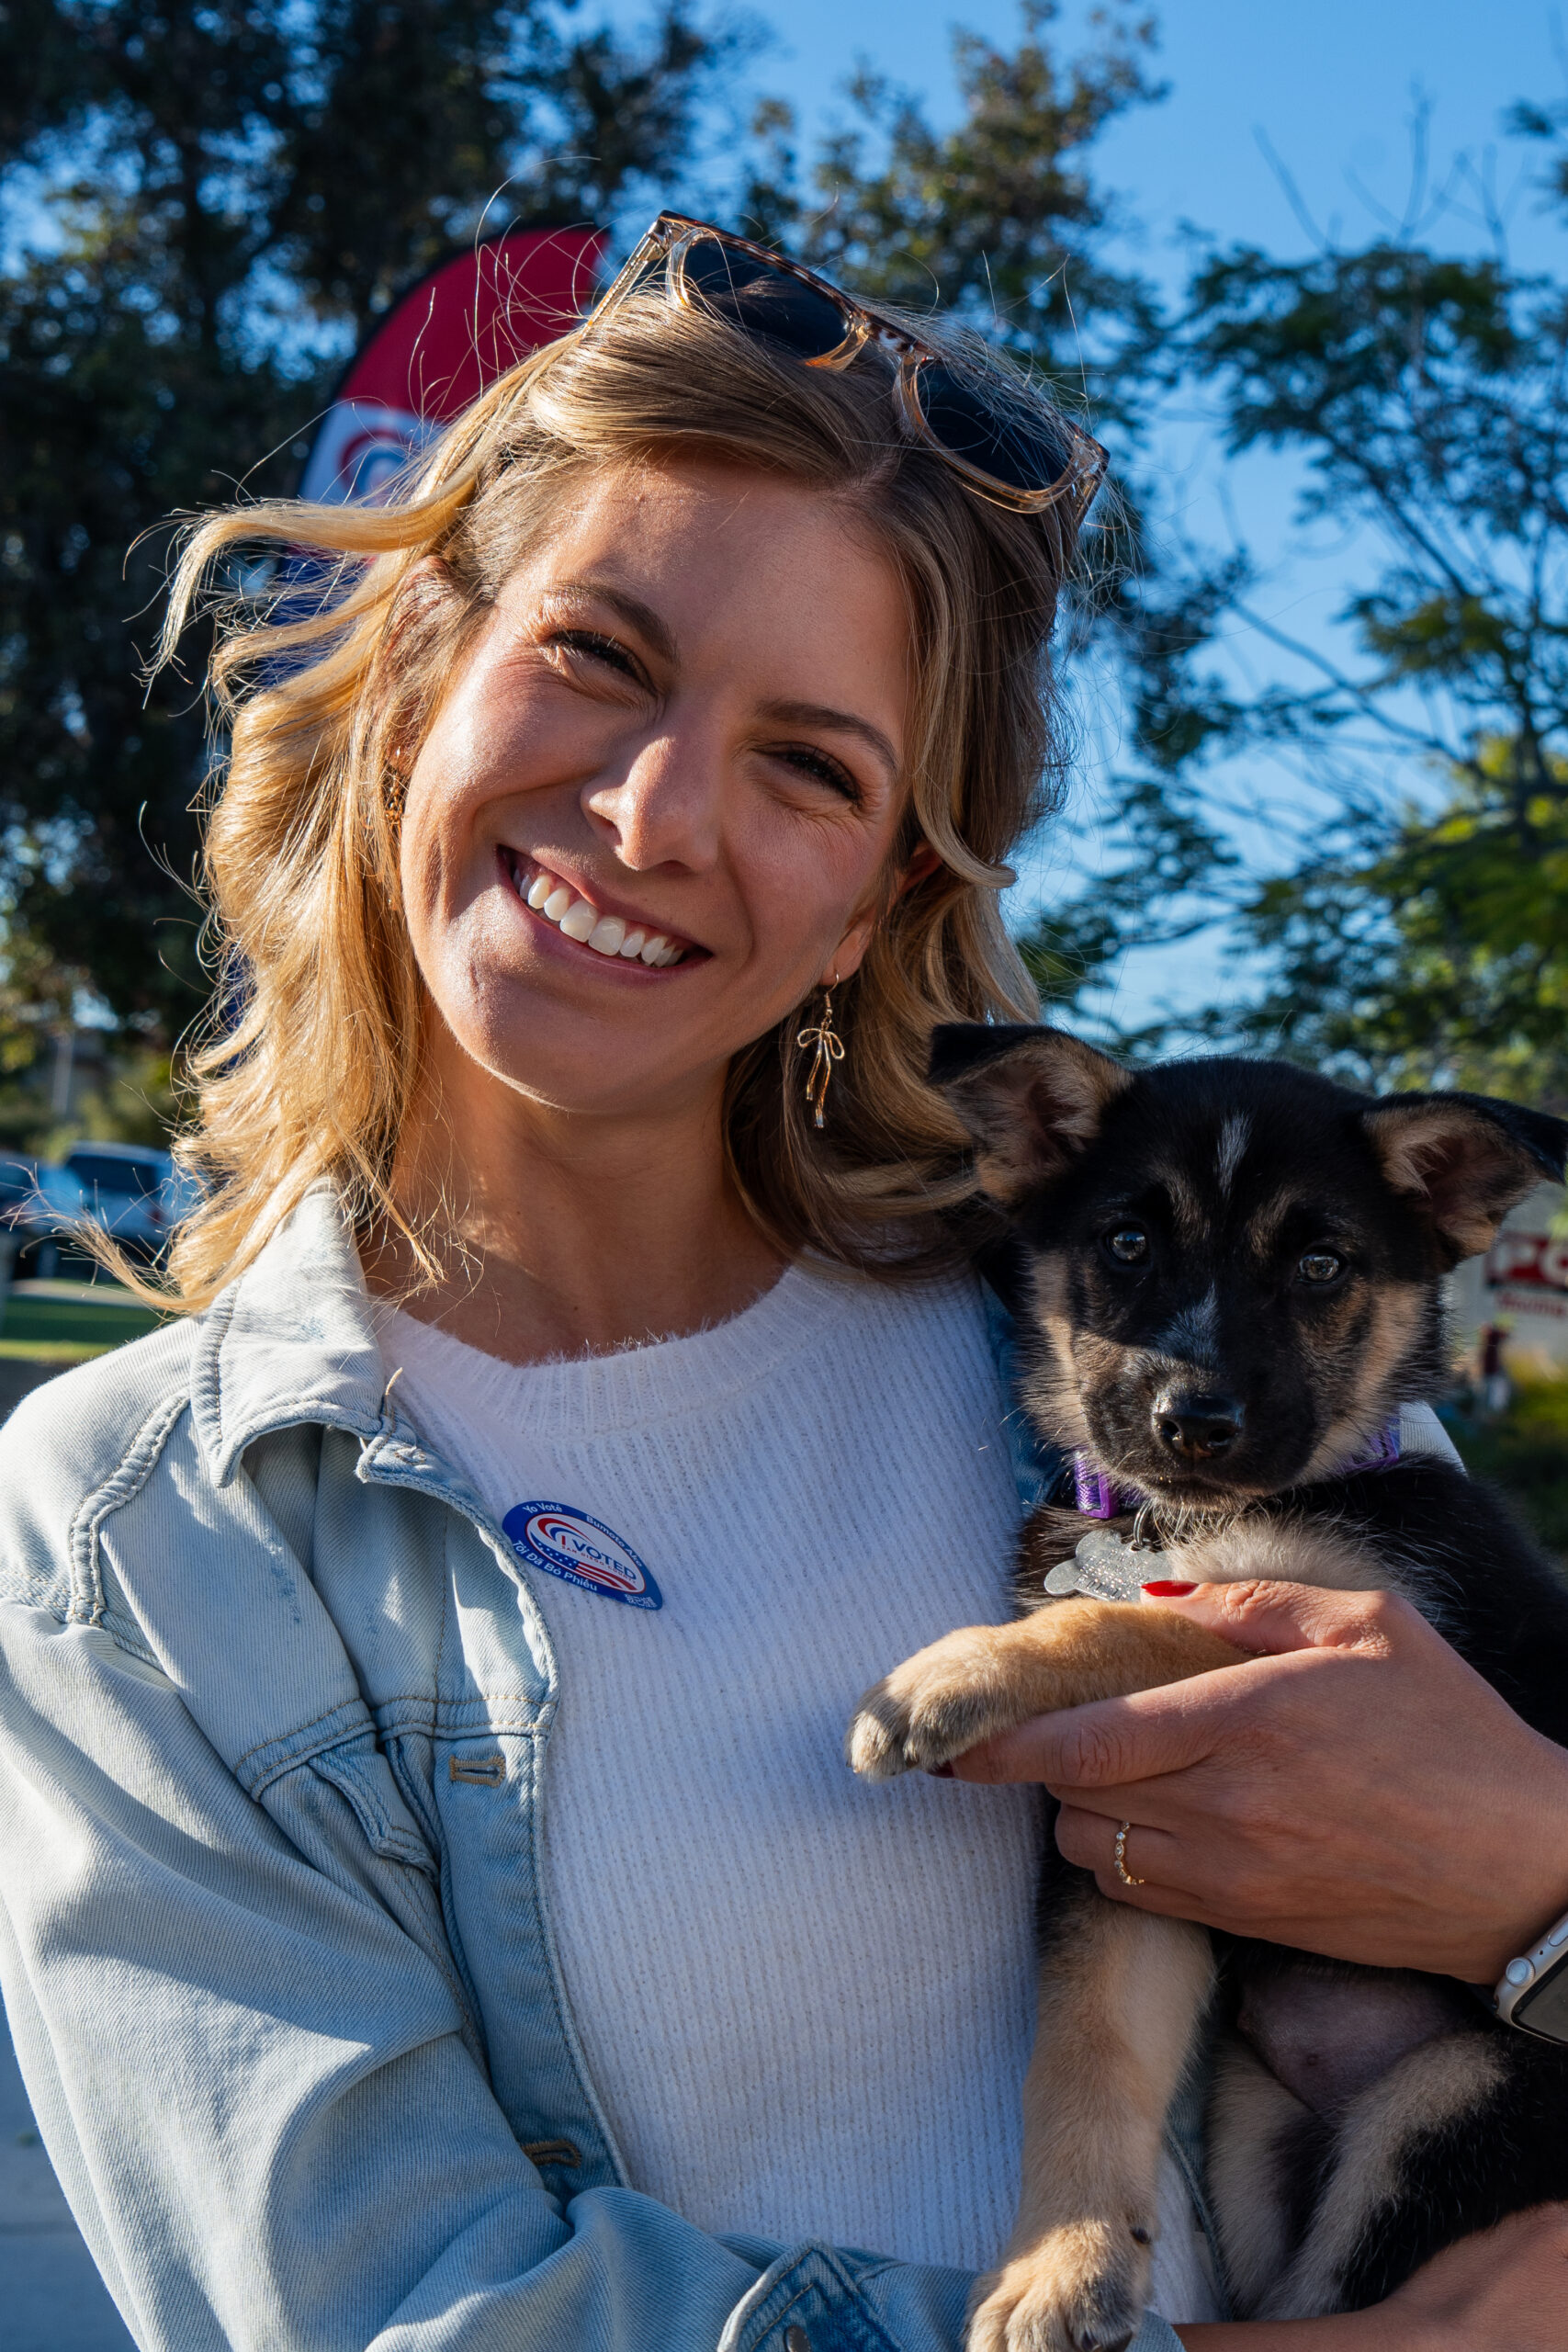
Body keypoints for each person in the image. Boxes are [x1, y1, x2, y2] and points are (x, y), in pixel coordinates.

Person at [0, 214, 1563, 2352]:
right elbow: (398, 2308)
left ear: (874, 898)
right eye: (599, 657)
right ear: (418, 673)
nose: (655, 815)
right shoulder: (140, 1534)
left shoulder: (1106, 1351)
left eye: (809, 764)